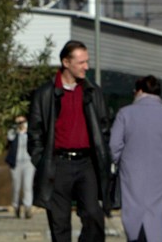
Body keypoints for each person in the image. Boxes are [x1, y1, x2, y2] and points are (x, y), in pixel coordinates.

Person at [28, 40, 111, 242]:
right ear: (66, 62)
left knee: (94, 215)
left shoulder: (93, 92)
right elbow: (35, 133)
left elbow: (104, 127)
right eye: (81, 62)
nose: (86, 67)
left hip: (87, 164)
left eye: (87, 61)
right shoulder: (45, 94)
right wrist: (42, 160)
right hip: (57, 165)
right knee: (59, 224)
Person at [109, 75, 162, 242]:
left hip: (131, 173)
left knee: (133, 212)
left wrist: (120, 160)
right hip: (161, 176)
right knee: (156, 216)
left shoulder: (125, 113)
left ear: (140, 91)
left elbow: (114, 145)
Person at [5, 115, 35, 219]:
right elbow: (10, 138)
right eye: (18, 122)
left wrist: (26, 129)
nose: (21, 123)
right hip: (16, 163)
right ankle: (16, 206)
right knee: (16, 187)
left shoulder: (29, 132)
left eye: (22, 121)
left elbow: (33, 140)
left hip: (28, 162)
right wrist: (16, 128)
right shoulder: (13, 132)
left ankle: (28, 208)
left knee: (27, 186)